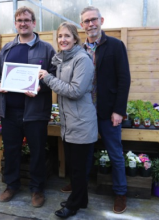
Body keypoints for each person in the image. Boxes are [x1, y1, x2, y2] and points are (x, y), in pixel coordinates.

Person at [0, 6, 56, 208]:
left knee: (37, 151)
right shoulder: (7, 48)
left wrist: (39, 86)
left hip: (35, 113)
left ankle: (37, 189)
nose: (23, 23)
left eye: (27, 20)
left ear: (34, 23)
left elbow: (54, 77)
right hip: (10, 112)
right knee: (11, 150)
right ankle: (12, 185)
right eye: (19, 20)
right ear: (15, 23)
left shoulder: (46, 49)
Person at [39, 22, 98, 218]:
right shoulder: (63, 60)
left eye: (67, 36)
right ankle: (82, 200)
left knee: (78, 168)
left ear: (75, 38)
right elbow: (60, 85)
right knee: (75, 167)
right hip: (69, 122)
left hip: (81, 122)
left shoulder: (82, 60)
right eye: (59, 36)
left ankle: (73, 204)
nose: (62, 39)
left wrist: (47, 78)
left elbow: (75, 90)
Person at [80, 6, 131, 214]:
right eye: (86, 21)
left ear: (101, 20)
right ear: (82, 25)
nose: (91, 24)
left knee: (115, 153)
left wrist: (119, 110)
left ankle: (120, 193)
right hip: (85, 112)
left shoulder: (115, 46)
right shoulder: (79, 49)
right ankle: (79, 186)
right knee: (84, 152)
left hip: (108, 111)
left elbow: (124, 79)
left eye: (94, 20)